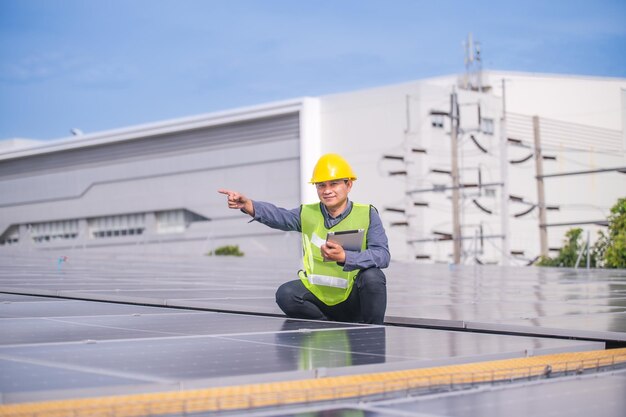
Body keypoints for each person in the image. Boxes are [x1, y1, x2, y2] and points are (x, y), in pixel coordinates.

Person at [218, 153, 390, 324]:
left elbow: (382, 255)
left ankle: (372, 330)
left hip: (353, 298)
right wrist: (248, 205)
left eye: (334, 184)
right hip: (319, 295)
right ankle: (328, 324)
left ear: (349, 185)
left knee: (373, 277)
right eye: (321, 185)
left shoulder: (367, 214)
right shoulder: (307, 213)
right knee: (286, 294)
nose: (327, 190)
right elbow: (280, 216)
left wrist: (346, 257)